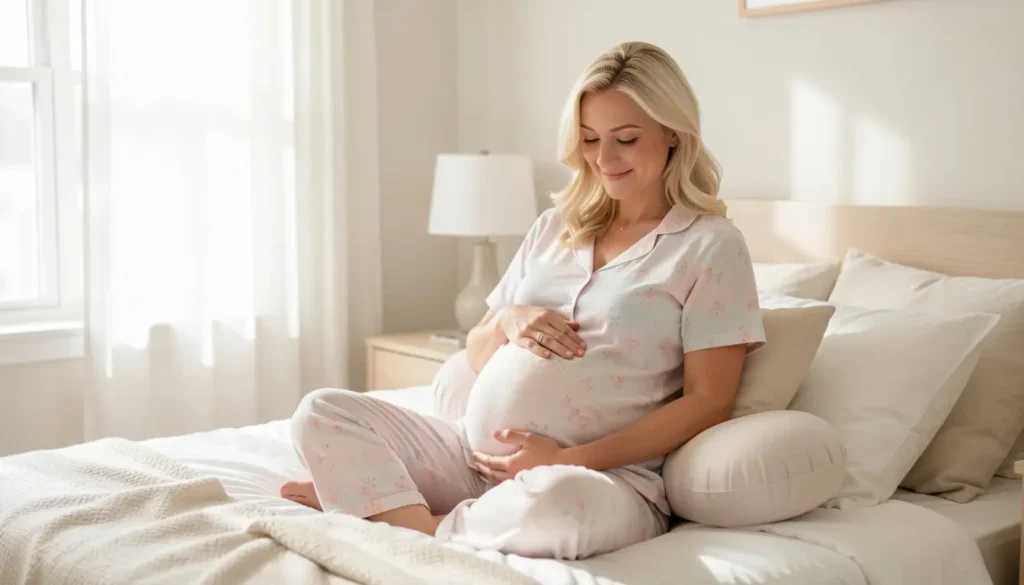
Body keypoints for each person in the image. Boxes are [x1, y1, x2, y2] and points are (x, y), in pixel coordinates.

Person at [280, 40, 766, 560]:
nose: (604, 158)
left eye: (625, 138)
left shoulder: (710, 245)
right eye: (588, 139)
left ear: (673, 132)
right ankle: (402, 511)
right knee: (321, 411)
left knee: (557, 507)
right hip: (469, 458)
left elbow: (708, 401)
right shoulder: (554, 228)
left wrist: (567, 458)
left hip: (596, 478)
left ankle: (392, 515)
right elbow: (476, 350)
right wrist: (510, 317)